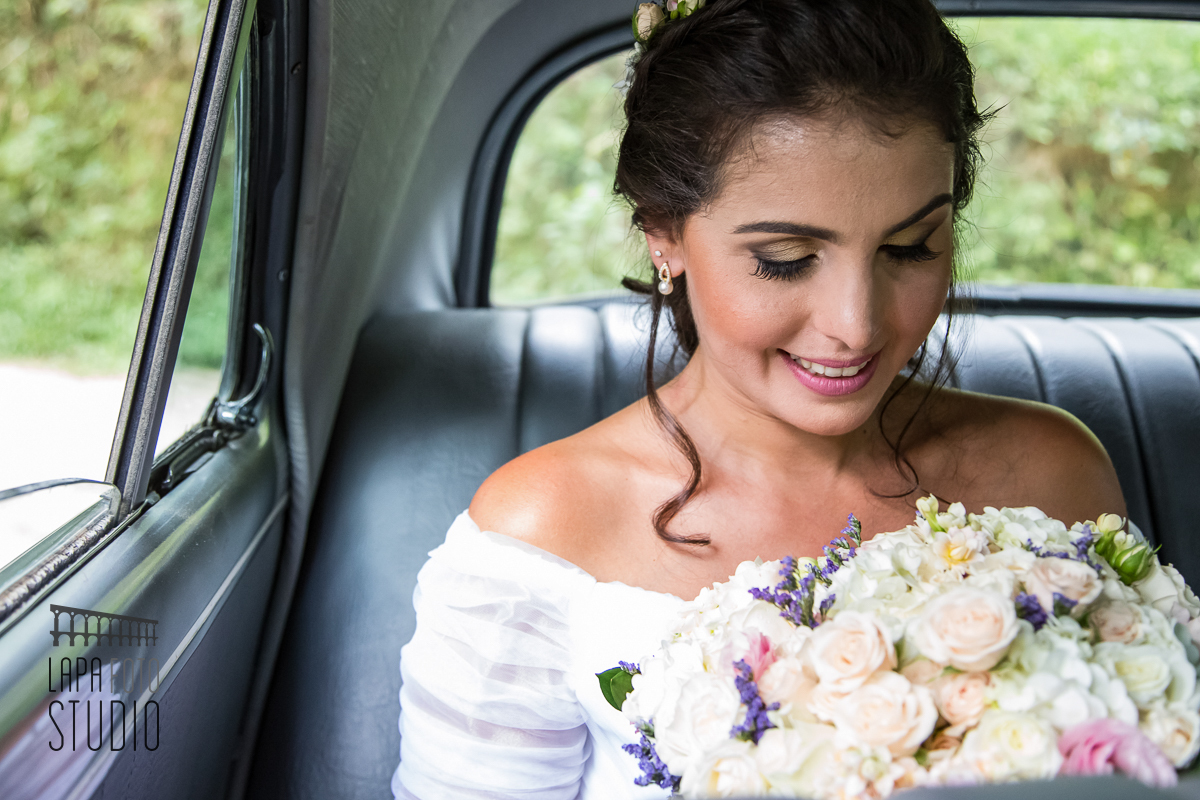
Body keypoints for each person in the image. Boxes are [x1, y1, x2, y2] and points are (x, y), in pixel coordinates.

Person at [391, 0, 1126, 796]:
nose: (856, 324)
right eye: (784, 259)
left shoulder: (1053, 479)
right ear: (663, 231)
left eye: (909, 249)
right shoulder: (543, 533)